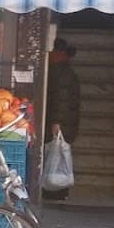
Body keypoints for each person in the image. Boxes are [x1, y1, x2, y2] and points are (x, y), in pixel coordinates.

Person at [44, 38, 80, 201]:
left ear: (59, 54)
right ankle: (56, 190)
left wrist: (56, 122)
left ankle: (55, 190)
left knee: (57, 157)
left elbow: (62, 100)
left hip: (61, 123)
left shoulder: (61, 74)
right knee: (57, 156)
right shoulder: (63, 71)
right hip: (65, 122)